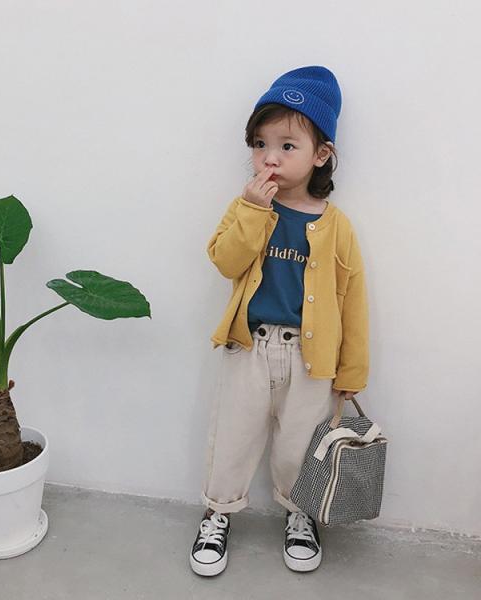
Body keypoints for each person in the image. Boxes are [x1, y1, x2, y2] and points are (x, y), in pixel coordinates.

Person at [190, 65, 369, 576]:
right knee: (233, 437)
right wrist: (252, 212)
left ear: (321, 155)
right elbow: (225, 261)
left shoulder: (336, 226)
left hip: (311, 359)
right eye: (260, 144)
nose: (269, 157)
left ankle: (299, 515)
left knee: (300, 444)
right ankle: (217, 513)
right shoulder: (245, 207)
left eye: (287, 145)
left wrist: (351, 372)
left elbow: (352, 300)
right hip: (248, 346)